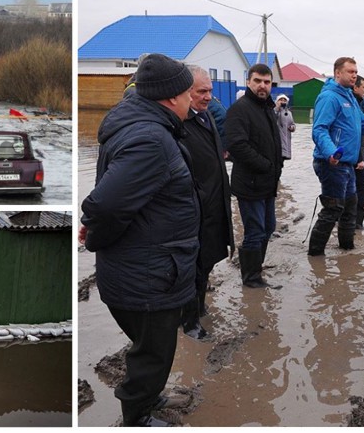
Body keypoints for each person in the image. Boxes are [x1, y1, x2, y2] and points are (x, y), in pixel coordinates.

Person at [79, 53, 198, 427]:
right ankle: (138, 416)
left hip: (143, 270)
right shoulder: (150, 139)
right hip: (149, 278)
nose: (192, 100)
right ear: (170, 98)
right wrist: (96, 233)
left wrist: (97, 230)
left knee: (150, 348)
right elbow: (106, 205)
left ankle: (150, 396)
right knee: (153, 354)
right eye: (188, 93)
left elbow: (115, 203)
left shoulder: (141, 125)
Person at [307, 57, 364, 256]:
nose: (354, 75)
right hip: (331, 163)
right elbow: (319, 130)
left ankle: (346, 250)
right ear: (338, 73)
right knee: (333, 209)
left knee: (350, 207)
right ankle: (315, 256)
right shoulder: (330, 97)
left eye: (355, 72)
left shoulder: (350, 98)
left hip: (348, 164)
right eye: (350, 71)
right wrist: (330, 152)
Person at [179, 65, 234, 340]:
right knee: (193, 268)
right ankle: (189, 325)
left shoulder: (206, 116)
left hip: (213, 206)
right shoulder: (179, 124)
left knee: (207, 263)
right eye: (202, 91)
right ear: (185, 92)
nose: (208, 96)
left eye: (210, 90)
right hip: (194, 211)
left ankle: (199, 308)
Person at [225, 64, 282, 289]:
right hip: (249, 183)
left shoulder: (267, 108)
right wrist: (266, 165)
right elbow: (237, 145)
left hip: (267, 182)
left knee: (268, 228)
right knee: (255, 230)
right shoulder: (240, 109)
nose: (262, 86)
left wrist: (275, 168)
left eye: (267, 82)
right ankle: (251, 279)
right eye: (258, 81)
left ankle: (255, 267)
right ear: (248, 82)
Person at [352, 76, 364, 230]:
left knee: (353, 186)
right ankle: (355, 220)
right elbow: (357, 132)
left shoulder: (359, 102)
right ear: (355, 88)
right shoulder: (356, 103)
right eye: (363, 86)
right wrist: (360, 158)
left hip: (355, 152)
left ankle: (350, 220)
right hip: (352, 154)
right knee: (363, 185)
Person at [274, 94, 296, 160]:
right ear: (277, 101)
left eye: (284, 100)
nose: (283, 102)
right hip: (277, 139)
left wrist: (292, 127)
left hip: (287, 139)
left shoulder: (289, 113)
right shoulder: (274, 111)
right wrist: (277, 108)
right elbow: (272, 119)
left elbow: (293, 124)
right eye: (281, 100)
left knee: (282, 161)